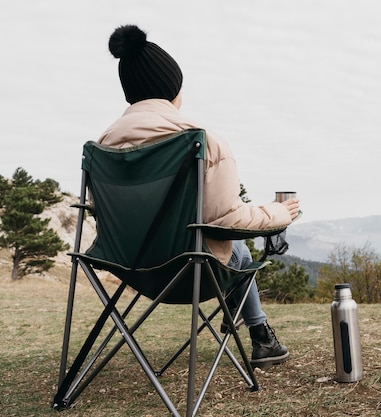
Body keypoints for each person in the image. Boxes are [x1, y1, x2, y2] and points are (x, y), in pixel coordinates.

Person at [99, 24, 300, 369]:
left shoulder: (101, 147)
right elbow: (227, 221)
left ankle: (250, 323)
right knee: (236, 247)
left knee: (222, 243)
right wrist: (280, 213)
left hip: (131, 272)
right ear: (172, 89)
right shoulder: (201, 140)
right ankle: (258, 332)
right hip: (190, 273)